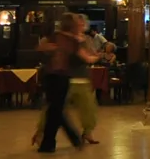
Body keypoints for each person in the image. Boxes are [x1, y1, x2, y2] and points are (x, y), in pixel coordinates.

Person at [36, 14, 101, 146]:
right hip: (64, 77)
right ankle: (42, 134)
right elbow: (87, 57)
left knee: (87, 108)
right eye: (79, 24)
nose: (81, 27)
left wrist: (94, 56)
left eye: (82, 24)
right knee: (55, 109)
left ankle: (85, 134)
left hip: (80, 78)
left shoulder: (84, 40)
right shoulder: (66, 39)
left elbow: (90, 54)